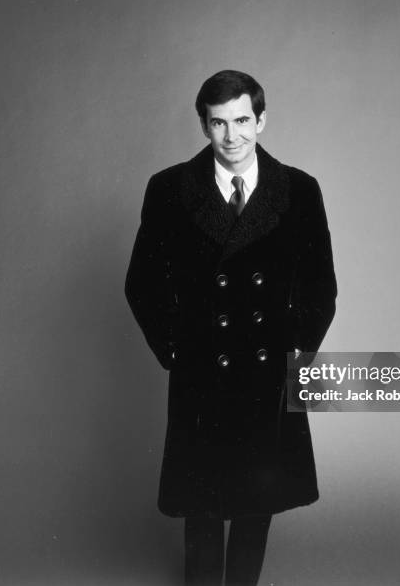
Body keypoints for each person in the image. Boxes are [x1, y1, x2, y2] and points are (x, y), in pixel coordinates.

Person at [125, 70, 337, 585]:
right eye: (218, 123)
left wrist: (295, 354)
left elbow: (320, 288)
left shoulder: (300, 191)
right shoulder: (170, 189)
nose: (232, 136)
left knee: (254, 505)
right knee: (201, 507)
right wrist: (177, 350)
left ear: (261, 120)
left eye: (242, 120)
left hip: (267, 374)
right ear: (204, 126)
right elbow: (142, 285)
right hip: (203, 374)